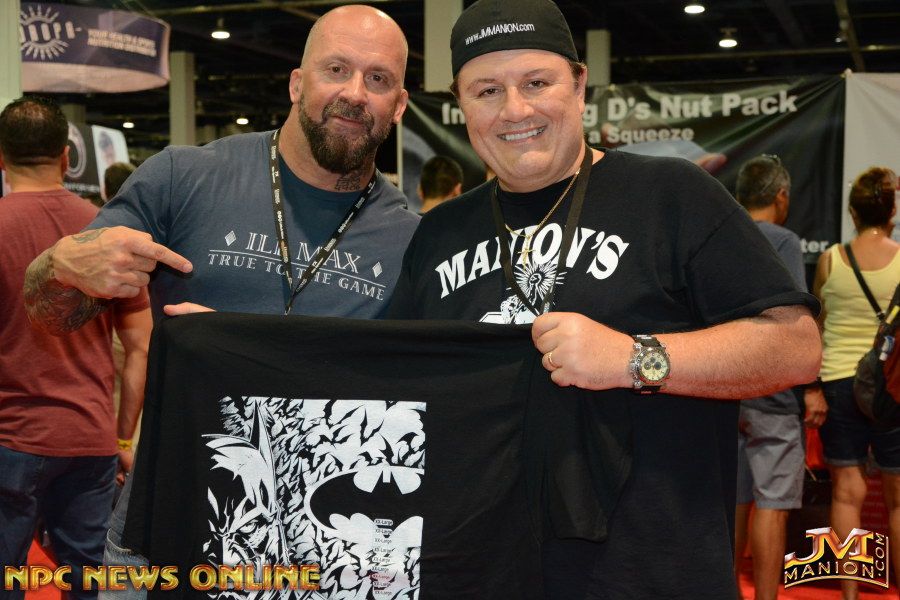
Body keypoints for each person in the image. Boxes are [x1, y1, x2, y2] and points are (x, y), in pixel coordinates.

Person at [386, 0, 821, 597]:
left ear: (579, 83)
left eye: (536, 83)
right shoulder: (438, 234)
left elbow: (795, 346)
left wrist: (632, 359)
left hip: (651, 575)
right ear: (461, 104)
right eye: (486, 91)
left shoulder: (671, 195)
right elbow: (397, 390)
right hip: (483, 571)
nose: (515, 110)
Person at [23, 5, 418, 597]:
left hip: (324, 544)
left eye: (378, 79)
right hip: (162, 529)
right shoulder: (184, 178)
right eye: (336, 69)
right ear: (297, 83)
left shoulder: (412, 241)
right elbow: (47, 310)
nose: (355, 93)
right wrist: (60, 266)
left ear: (400, 105)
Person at [1, 96, 151, 600]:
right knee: (89, 580)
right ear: (67, 157)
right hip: (89, 438)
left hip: (9, 437)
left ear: (1, 157)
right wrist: (124, 437)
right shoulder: (108, 233)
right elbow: (140, 347)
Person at [732, 155, 826, 600]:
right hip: (771, 387)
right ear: (781, 196)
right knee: (772, 503)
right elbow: (795, 318)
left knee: (736, 499)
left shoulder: (723, 231)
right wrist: (812, 387)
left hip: (724, 386)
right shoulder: (783, 240)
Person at [804, 166, 900, 599]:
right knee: (898, 498)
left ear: (852, 212)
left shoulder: (831, 259)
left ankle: (850, 595)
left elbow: (816, 327)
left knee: (846, 494)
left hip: (839, 381)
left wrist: (812, 387)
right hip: (892, 386)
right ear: (891, 212)